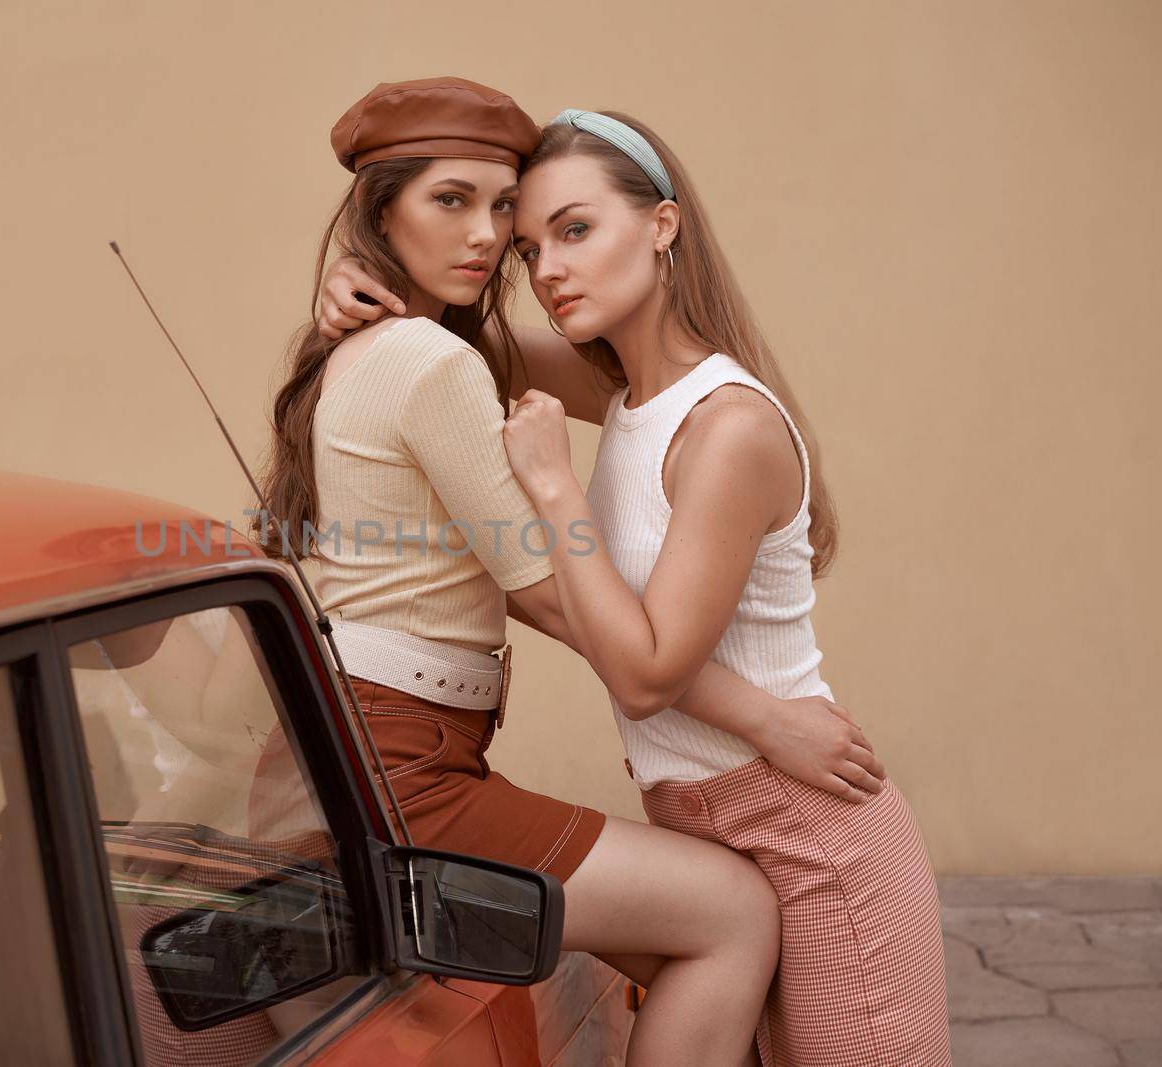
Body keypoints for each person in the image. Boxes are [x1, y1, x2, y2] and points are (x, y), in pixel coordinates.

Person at [257, 76, 803, 1066]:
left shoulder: (387, 348)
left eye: (501, 208)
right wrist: (769, 716)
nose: (485, 233)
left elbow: (621, 382)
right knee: (732, 914)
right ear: (382, 212)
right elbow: (554, 593)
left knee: (674, 931)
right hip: (403, 772)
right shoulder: (430, 362)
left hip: (358, 754)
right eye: (449, 200)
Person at [480, 107, 950, 1066]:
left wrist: (554, 484)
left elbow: (644, 670)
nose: (548, 270)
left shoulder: (725, 426)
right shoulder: (622, 394)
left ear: (662, 223)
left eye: (576, 228)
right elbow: (452, 344)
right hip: (713, 824)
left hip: (814, 840)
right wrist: (360, 294)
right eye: (529, 248)